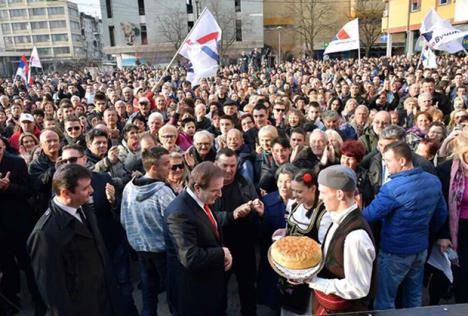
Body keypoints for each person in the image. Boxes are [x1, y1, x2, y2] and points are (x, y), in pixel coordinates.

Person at [27, 164, 124, 316]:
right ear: (66, 193)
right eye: (85, 188)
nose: (91, 191)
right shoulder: (44, 234)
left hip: (104, 298)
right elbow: (52, 291)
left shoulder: (83, 207)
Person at [363, 141, 448, 309]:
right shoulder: (433, 181)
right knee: (414, 295)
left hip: (395, 251)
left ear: (402, 161)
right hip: (420, 249)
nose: (385, 165)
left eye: (388, 161)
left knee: (385, 299)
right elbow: (441, 214)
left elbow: (369, 215)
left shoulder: (392, 188)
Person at [164, 161, 252, 316]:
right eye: (215, 190)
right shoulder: (178, 214)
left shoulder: (202, 199)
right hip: (194, 297)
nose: (220, 195)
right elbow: (190, 257)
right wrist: (222, 252)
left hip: (210, 287)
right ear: (197, 188)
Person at [306, 165, 376, 314]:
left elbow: (358, 288)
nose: (320, 197)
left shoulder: (356, 237)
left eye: (323, 192)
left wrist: (315, 281)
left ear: (339, 194)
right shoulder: (337, 219)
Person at [121, 147, 176, 316]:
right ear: (153, 167)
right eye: (166, 164)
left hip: (141, 250)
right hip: (163, 253)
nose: (171, 167)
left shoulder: (129, 188)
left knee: (148, 295)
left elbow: (124, 219)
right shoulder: (164, 192)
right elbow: (175, 225)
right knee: (175, 296)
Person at [213, 148, 264, 316]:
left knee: (248, 286)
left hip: (244, 245)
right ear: (215, 164)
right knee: (218, 289)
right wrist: (231, 215)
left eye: (233, 166)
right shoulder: (210, 185)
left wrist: (258, 209)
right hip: (220, 246)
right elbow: (207, 216)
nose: (229, 170)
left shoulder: (244, 182)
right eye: (224, 165)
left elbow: (255, 202)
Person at [277, 169, 331, 315]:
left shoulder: (323, 215)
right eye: (293, 190)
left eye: (299, 191)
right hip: (287, 271)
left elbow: (323, 251)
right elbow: (289, 229)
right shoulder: (293, 204)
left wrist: (305, 275)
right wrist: (283, 233)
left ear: (313, 189)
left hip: (307, 276)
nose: (294, 195)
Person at [257, 164, 298, 311]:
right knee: (272, 298)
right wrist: (263, 216)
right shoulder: (267, 201)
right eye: (280, 181)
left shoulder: (301, 201)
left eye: (287, 181)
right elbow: (260, 233)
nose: (283, 185)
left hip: (294, 257)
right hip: (272, 257)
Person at [437, 135, 468, 303]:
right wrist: (443, 235)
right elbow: (440, 205)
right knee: (462, 275)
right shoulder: (447, 170)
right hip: (457, 230)